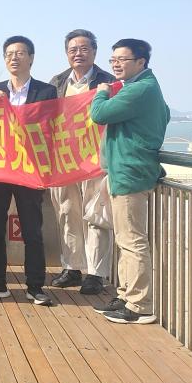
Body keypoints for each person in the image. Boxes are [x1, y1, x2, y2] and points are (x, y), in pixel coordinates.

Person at [90, 39, 169, 324]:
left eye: (122, 59)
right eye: (113, 60)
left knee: (132, 241)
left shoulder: (140, 89)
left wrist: (101, 93)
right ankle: (126, 296)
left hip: (130, 172)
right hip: (127, 170)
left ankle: (139, 305)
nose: (116, 64)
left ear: (141, 62)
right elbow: (165, 114)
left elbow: (99, 114)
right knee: (125, 239)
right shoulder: (143, 88)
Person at [0, 36, 57, 307]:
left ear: (31, 58)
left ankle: (35, 286)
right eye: (9, 53)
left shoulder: (46, 92)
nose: (14, 57)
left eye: (20, 53)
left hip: (30, 170)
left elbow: (51, 128)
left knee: (32, 231)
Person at [48, 29, 116, 295]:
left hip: (96, 160)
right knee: (67, 213)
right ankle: (72, 267)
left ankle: (96, 274)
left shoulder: (108, 82)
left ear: (95, 52)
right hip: (64, 160)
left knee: (96, 215)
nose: (78, 54)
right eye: (73, 49)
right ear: (66, 54)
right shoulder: (57, 82)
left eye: (84, 48)